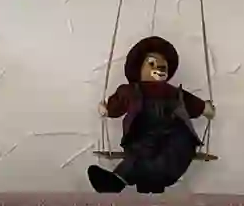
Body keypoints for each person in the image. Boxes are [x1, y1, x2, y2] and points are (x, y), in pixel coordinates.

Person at [87, 35, 212, 194]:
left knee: (176, 147)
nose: (160, 68)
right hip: (142, 133)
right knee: (141, 151)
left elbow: (191, 103)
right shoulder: (131, 91)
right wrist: (108, 108)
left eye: (163, 65)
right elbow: (117, 104)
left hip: (172, 134)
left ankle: (119, 179)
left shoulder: (175, 93)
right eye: (152, 63)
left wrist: (204, 108)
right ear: (139, 68)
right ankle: (127, 180)